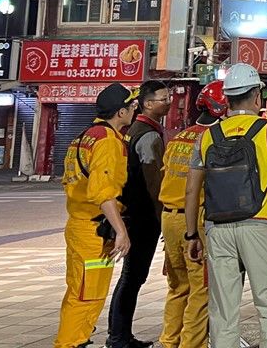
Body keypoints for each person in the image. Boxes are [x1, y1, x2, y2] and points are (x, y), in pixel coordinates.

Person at [184, 64, 267, 348]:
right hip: (261, 226)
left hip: (218, 230)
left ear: (226, 98)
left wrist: (192, 234)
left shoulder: (207, 135)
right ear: (256, 96)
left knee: (223, 308)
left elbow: (192, 188)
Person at [55, 83, 137, 348]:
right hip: (93, 232)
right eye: (132, 106)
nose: (134, 110)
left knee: (78, 292)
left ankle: (75, 340)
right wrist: (121, 231)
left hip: (79, 226)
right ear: (121, 112)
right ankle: (70, 343)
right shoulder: (107, 141)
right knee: (86, 297)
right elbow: (103, 193)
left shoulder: (84, 136)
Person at [156, 81, 227, 348]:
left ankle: (168, 341)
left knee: (177, 288)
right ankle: (192, 345)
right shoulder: (212, 140)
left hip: (169, 218)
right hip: (193, 220)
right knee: (202, 290)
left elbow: (166, 175)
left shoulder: (179, 137)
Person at [108, 80, 171, 348]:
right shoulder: (149, 135)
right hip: (142, 216)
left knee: (129, 277)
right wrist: (164, 219)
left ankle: (119, 335)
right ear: (147, 103)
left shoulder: (132, 130)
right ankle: (118, 337)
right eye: (163, 99)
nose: (168, 102)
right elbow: (154, 183)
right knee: (133, 277)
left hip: (129, 213)